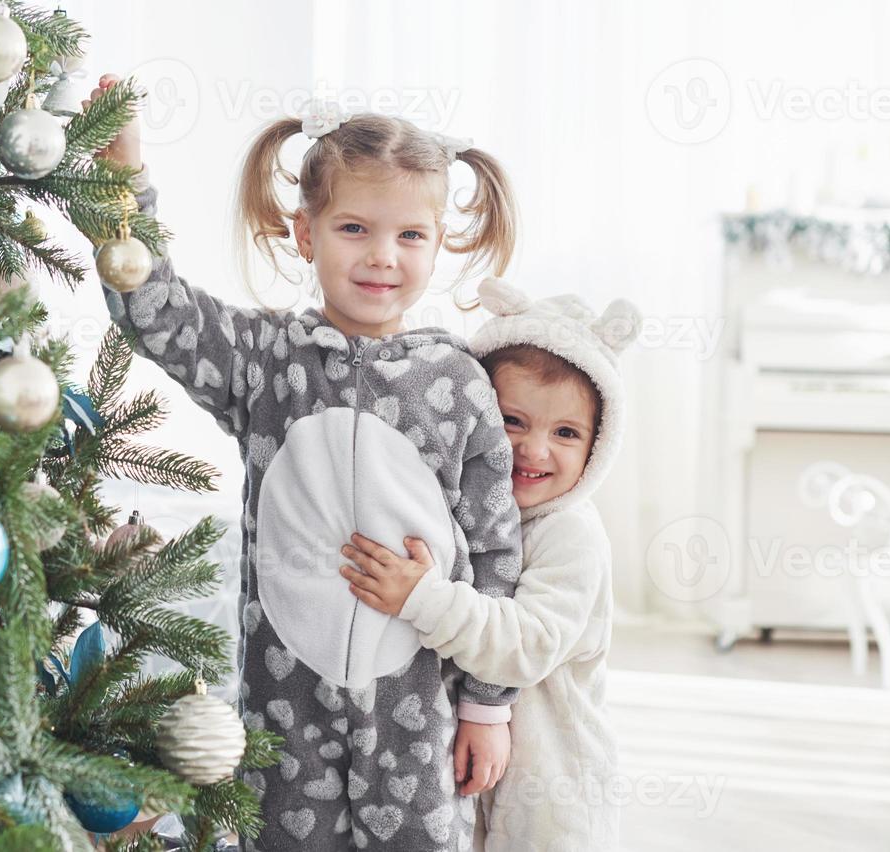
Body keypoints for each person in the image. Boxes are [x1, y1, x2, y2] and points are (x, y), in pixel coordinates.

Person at [83, 76, 522, 850]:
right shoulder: (264, 358)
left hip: (416, 701)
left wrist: (489, 707)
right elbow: (152, 309)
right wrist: (125, 182)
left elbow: (493, 549)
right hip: (286, 694)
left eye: (410, 236)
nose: (383, 257)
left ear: (439, 243)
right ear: (304, 232)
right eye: (354, 228)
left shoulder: (458, 383)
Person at [338, 277, 642, 851]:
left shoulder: (570, 535)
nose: (535, 449)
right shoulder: (465, 513)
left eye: (566, 432)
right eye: (513, 421)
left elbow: (526, 644)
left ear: (597, 447)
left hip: (551, 804)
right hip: (474, 782)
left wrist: (422, 597)